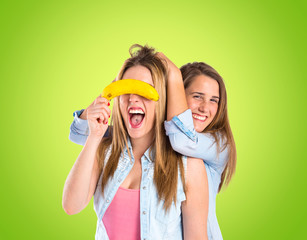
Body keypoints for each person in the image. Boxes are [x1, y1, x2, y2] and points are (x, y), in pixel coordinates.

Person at [69, 51, 237, 239]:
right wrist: (98, 123)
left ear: (168, 99)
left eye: (145, 90)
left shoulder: (206, 154)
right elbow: (71, 205)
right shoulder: (107, 150)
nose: (133, 98)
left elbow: (181, 139)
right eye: (197, 96)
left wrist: (172, 74)